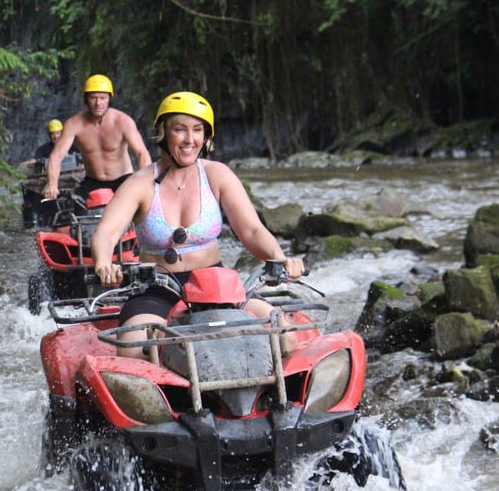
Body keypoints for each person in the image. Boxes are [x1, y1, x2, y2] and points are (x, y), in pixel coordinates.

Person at [90, 91, 306, 358]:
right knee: (134, 349)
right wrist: (103, 263)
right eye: (179, 129)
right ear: (163, 133)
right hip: (156, 289)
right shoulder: (139, 183)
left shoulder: (217, 174)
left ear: (207, 137)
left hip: (216, 284)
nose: (189, 139)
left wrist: (279, 258)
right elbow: (107, 232)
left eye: (197, 130)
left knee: (285, 336)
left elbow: (251, 230)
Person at [42, 74, 151, 200]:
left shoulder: (123, 121)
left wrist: (145, 182)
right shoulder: (74, 124)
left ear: (109, 99)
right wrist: (52, 184)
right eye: (93, 98)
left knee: (135, 206)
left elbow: (142, 153)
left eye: (102, 98)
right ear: (86, 99)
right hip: (93, 182)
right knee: (73, 207)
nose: (98, 103)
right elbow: (56, 156)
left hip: (122, 180)